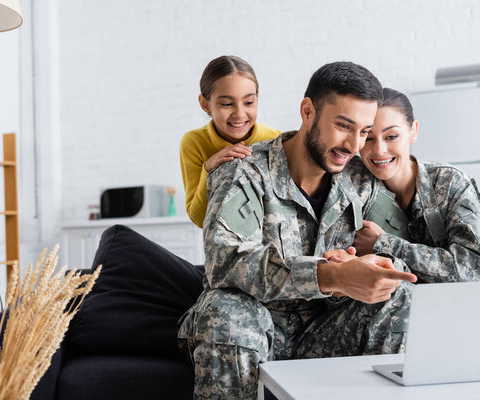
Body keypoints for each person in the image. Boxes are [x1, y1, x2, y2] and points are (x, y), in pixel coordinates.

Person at [177, 62, 418, 399]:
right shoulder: (242, 170)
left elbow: (405, 246)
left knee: (398, 289)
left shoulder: (361, 181)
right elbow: (225, 261)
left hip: (323, 331)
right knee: (225, 310)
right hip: (252, 326)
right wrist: (329, 275)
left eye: (363, 131)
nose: (353, 144)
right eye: (343, 126)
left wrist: (369, 266)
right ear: (308, 111)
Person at [353, 87, 480, 282]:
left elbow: (474, 272)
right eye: (368, 138)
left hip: (454, 305)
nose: (379, 150)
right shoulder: (356, 186)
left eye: (391, 136)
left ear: (413, 131)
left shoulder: (451, 183)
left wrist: (383, 243)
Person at [180, 55, 281, 228]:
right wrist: (209, 169)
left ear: (257, 97)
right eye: (227, 104)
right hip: (225, 247)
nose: (240, 114)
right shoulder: (194, 142)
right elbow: (199, 219)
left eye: (249, 102)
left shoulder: (275, 140)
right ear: (205, 104)